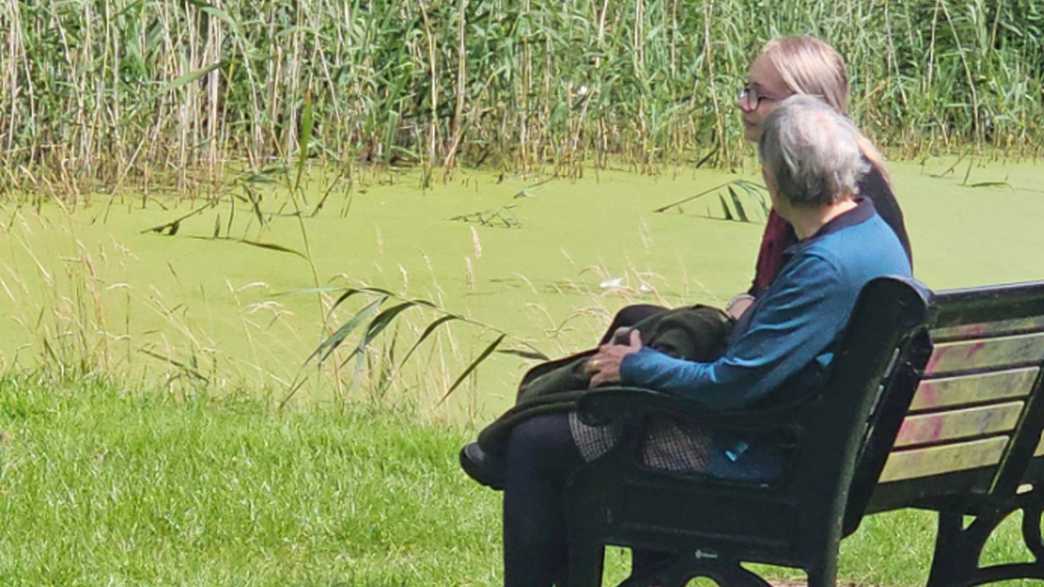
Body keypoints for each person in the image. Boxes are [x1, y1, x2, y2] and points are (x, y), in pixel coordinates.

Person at [494, 95, 912, 586]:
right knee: (641, 331)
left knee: (536, 443)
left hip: (760, 457)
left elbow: (731, 385)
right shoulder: (871, 234)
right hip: (809, 440)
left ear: (774, 180)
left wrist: (637, 368)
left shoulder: (825, 267)